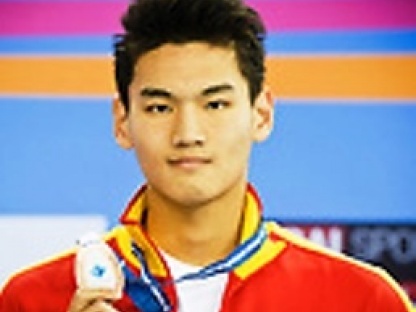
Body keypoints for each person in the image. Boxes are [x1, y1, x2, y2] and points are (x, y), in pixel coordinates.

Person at [0, 0, 413, 311]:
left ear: (262, 114)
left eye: (215, 105)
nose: (188, 133)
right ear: (122, 120)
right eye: (160, 107)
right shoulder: (34, 298)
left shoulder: (361, 298)